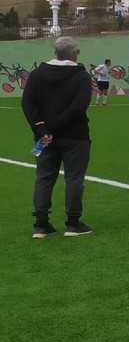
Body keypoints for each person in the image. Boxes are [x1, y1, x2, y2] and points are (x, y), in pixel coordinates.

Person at [22, 36, 94, 238]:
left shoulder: (37, 74)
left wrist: (41, 128)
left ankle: (41, 224)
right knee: (74, 179)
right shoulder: (81, 76)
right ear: (75, 54)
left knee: (44, 178)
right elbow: (79, 106)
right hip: (75, 136)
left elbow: (28, 103)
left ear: (55, 53)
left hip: (45, 137)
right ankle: (73, 223)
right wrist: (53, 125)